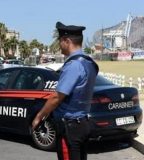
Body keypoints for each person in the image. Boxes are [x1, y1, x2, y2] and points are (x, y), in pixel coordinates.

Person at [32, 22, 99, 160]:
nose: (59, 45)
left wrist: (39, 117)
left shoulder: (74, 65)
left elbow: (57, 97)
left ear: (67, 41)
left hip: (71, 127)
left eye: (60, 41)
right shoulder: (89, 63)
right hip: (83, 123)